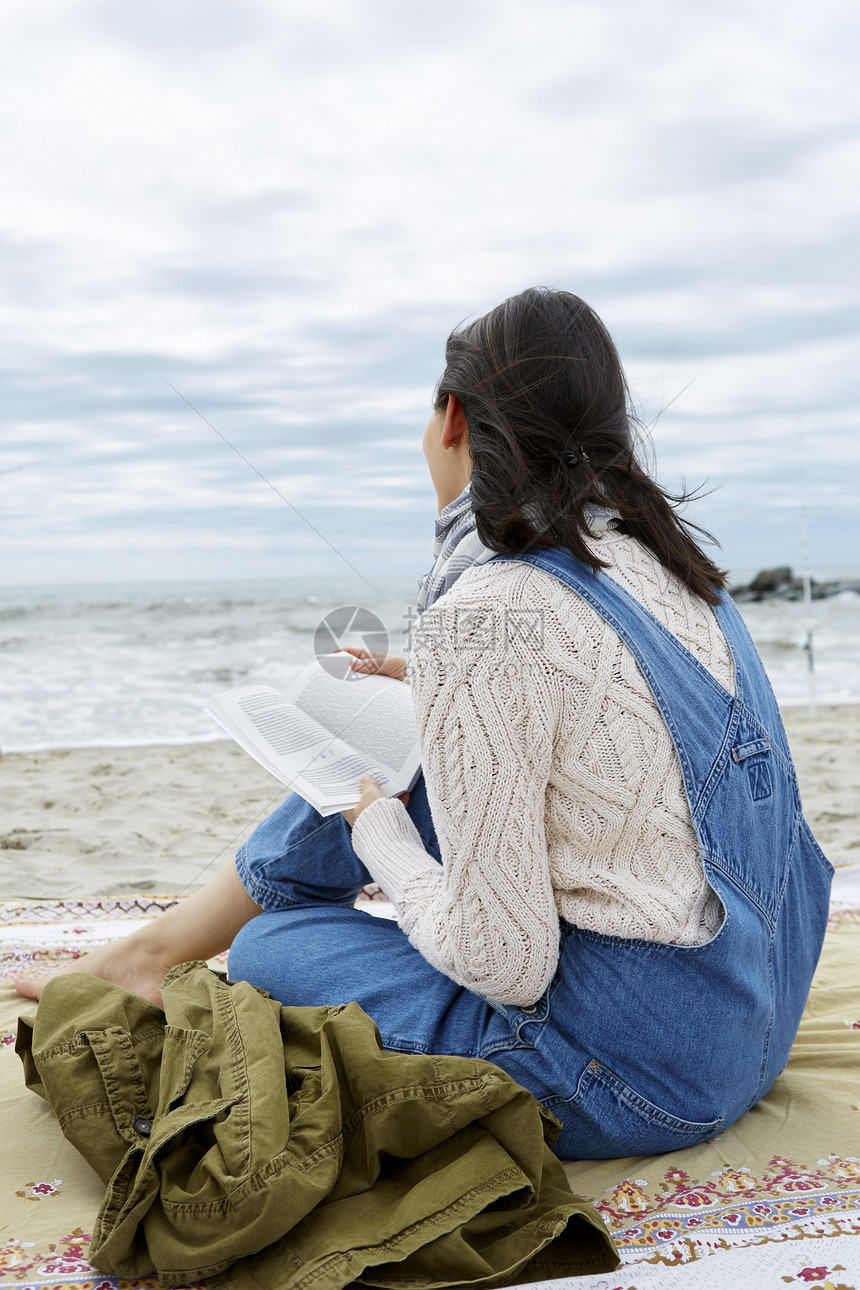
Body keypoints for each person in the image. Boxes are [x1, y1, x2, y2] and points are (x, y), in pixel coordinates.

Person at [16, 287, 833, 1160]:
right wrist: (440, 688)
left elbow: (504, 961)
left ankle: (159, 951)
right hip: (755, 1015)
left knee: (271, 947)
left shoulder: (489, 606)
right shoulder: (676, 570)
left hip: (638, 1078)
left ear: (452, 420)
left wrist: (384, 842)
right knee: (397, 745)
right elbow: (616, 704)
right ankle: (153, 950)